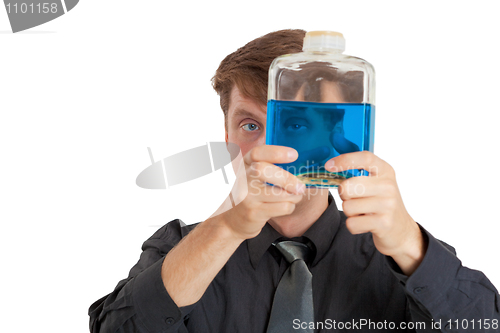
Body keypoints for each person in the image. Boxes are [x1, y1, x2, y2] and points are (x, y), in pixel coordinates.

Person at [89, 29, 500, 333]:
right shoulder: (178, 250)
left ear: (337, 132)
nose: (272, 149)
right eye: (251, 124)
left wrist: (409, 243)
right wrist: (228, 228)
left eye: (296, 123)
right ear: (228, 137)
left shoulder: (401, 260)